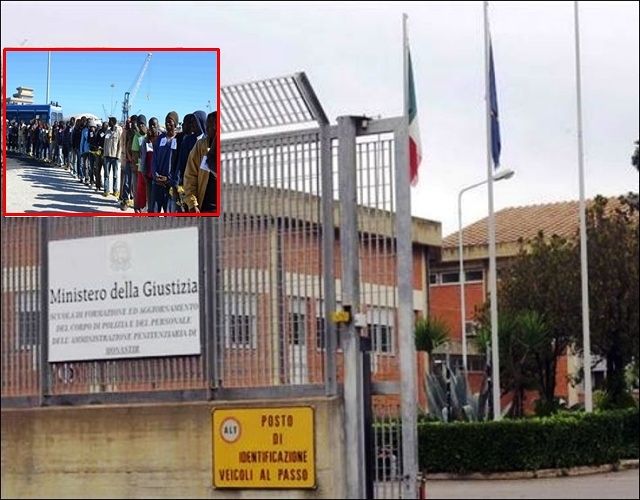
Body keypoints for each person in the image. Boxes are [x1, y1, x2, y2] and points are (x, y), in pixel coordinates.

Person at [183, 111, 218, 213]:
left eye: (210, 126)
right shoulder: (200, 146)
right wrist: (192, 203)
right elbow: (190, 175)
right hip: (205, 206)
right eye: (207, 125)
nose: (207, 129)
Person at [150, 111, 180, 213]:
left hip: (170, 185)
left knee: (169, 214)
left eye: (170, 121)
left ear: (175, 123)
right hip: (157, 182)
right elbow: (154, 158)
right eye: (166, 121)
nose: (167, 124)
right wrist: (155, 175)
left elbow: (178, 163)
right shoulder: (160, 139)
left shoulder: (179, 140)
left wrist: (169, 179)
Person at [137, 117, 159, 212]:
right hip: (148, 174)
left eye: (154, 125)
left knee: (157, 202)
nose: (152, 127)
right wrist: (143, 172)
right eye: (151, 125)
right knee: (150, 199)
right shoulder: (145, 140)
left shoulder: (161, 139)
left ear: (158, 126)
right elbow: (142, 156)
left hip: (158, 175)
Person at [103, 117, 122, 198]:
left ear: (113, 122)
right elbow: (105, 143)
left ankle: (115, 190)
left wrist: (118, 156)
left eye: (109, 121)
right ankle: (106, 190)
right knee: (106, 174)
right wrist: (104, 154)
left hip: (115, 157)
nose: (108, 123)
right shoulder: (107, 131)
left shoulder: (118, 132)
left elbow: (120, 145)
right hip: (107, 156)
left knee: (115, 175)